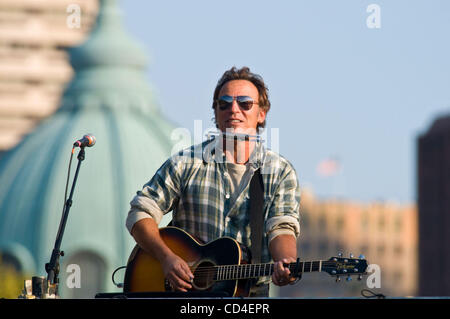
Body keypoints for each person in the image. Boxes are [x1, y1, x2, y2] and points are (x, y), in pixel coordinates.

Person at [126, 66, 301, 297]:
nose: (233, 109)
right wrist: (166, 258)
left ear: (261, 114)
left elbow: (282, 227)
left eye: (245, 103)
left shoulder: (279, 171)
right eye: (224, 103)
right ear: (216, 113)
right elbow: (139, 214)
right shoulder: (186, 163)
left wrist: (286, 262)